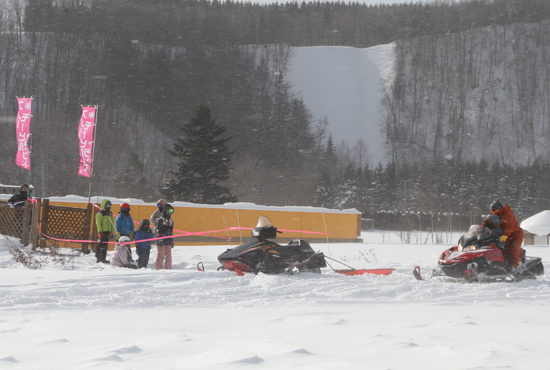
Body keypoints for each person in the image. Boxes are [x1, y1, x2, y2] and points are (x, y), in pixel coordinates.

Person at [490, 198, 524, 269]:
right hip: (505, 236)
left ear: (499, 208)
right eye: (491, 210)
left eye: (494, 210)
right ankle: (504, 266)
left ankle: (514, 267)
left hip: (516, 235)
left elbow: (509, 227)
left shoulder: (508, 215)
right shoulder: (494, 216)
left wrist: (504, 236)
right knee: (502, 250)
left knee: (513, 249)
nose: (492, 212)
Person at [95, 199, 115, 263]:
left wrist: (112, 231)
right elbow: (98, 224)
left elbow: (111, 223)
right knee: (101, 245)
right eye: (107, 206)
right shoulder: (100, 214)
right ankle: (99, 258)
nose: (108, 207)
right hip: (102, 232)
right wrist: (99, 232)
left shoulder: (110, 214)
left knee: (105, 246)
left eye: (109, 206)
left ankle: (103, 258)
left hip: (108, 232)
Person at [156, 203, 174, 270]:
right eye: (169, 211)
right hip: (162, 240)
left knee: (169, 256)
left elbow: (171, 231)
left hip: (168, 240)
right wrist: (160, 239)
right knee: (160, 256)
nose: (170, 213)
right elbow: (159, 230)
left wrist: (171, 240)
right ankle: (158, 269)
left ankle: (168, 269)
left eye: (171, 211)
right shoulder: (161, 220)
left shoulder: (171, 221)